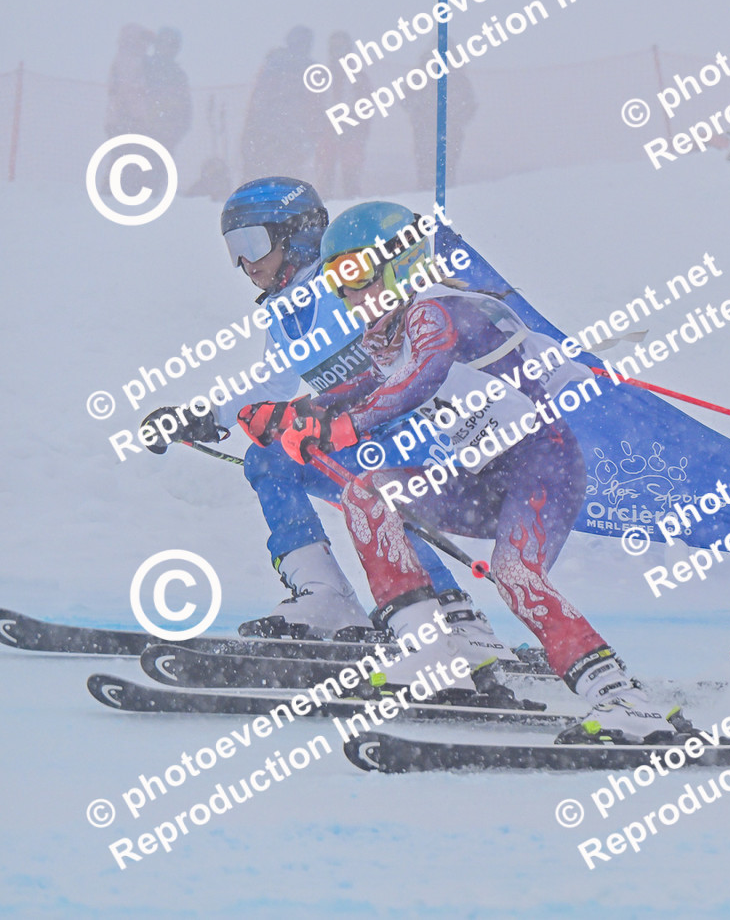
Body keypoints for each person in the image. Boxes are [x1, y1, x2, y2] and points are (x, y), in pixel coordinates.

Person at [254, 200, 692, 738]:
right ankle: (431, 652)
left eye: (357, 273)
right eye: (336, 282)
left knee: (516, 575)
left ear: (402, 263)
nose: (350, 295)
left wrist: (341, 427)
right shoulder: (391, 332)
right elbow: (367, 384)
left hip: (543, 471)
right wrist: (290, 413)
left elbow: (418, 380)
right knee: (370, 495)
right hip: (485, 481)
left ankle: (626, 702)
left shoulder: (436, 310)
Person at [139, 179, 507, 667]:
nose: (246, 263)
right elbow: (272, 384)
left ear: (298, 234)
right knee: (269, 458)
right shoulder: (283, 311)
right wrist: (206, 417)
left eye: (254, 243)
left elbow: (412, 349)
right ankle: (325, 596)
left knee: (372, 479)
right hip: (355, 440)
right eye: (235, 250)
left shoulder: (346, 285)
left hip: (423, 437)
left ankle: (450, 612)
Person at [241, 27, 320, 177]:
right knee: (287, 174)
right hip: (289, 132)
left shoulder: (272, 65)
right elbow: (313, 108)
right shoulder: (308, 71)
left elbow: (256, 101)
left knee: (262, 172)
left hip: (268, 131)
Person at [401, 50, 475, 191]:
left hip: (448, 132)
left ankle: (438, 192)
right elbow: (406, 100)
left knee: (446, 168)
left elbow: (470, 106)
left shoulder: (459, 80)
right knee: (427, 167)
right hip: (427, 131)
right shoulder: (420, 77)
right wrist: (420, 113)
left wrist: (455, 120)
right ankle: (427, 192)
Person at [314, 32, 371, 198]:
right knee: (325, 175)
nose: (337, 52)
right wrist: (317, 129)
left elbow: (367, 106)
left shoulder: (358, 77)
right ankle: (324, 207)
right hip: (327, 130)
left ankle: (353, 206)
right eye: (334, 48)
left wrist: (359, 131)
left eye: (340, 48)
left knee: (351, 176)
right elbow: (314, 105)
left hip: (351, 131)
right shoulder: (322, 75)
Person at [143, 27, 192, 151]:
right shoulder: (143, 66)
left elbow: (186, 111)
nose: (169, 48)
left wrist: (173, 135)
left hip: (165, 138)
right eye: (164, 42)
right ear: (157, 44)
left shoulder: (179, 75)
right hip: (140, 133)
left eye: (173, 44)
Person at [105, 24, 153, 138]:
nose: (146, 44)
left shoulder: (121, 59)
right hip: (128, 119)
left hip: (119, 119)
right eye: (143, 39)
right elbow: (127, 90)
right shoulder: (130, 61)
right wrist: (138, 116)